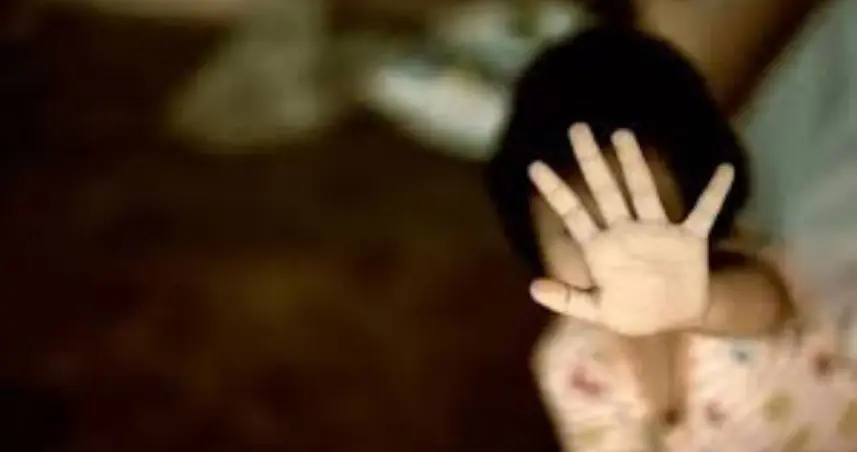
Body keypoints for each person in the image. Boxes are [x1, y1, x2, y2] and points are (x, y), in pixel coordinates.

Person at [485, 28, 857, 451]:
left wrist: (698, 302)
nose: (615, 254)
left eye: (639, 218)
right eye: (575, 231)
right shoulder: (569, 366)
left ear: (695, 203)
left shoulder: (740, 281)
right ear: (534, 243)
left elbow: (766, 307)